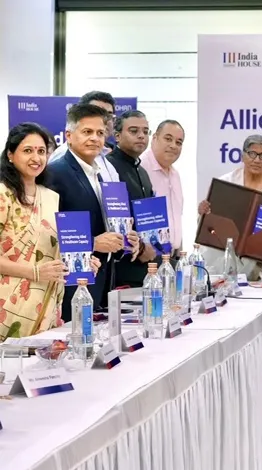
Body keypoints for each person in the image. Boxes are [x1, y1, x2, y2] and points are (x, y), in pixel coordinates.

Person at [0, 123, 100, 341]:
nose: (36, 158)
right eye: (28, 150)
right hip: (7, 304)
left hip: (45, 305)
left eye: (41, 151)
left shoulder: (50, 196)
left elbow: (50, 250)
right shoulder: (3, 194)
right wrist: (35, 272)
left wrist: (82, 262)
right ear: (10, 155)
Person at [47, 104, 139, 321]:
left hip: (102, 277)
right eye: (87, 132)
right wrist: (93, 243)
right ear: (69, 136)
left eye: (100, 133)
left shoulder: (102, 175)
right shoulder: (55, 173)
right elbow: (47, 232)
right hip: (70, 282)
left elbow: (104, 222)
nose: (95, 138)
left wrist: (126, 239)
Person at [198, 134, 262, 280]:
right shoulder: (225, 184)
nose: (257, 160)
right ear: (242, 156)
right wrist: (203, 213)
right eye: (252, 153)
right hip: (224, 261)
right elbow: (208, 225)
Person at [106, 110, 157, 288]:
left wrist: (152, 245)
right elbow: (113, 220)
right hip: (121, 267)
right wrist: (141, 248)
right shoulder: (108, 169)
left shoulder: (142, 172)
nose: (141, 136)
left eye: (145, 131)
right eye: (134, 131)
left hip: (146, 265)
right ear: (117, 136)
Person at [49, 91, 120, 182]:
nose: (103, 120)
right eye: (94, 112)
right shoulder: (61, 157)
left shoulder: (106, 156)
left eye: (109, 115)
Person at [141, 119, 185, 255]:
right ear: (154, 138)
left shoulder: (175, 174)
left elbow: (176, 216)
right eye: (168, 139)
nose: (173, 146)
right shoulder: (141, 168)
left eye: (179, 142)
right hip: (148, 256)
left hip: (172, 255)